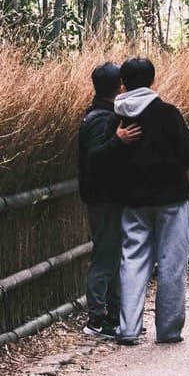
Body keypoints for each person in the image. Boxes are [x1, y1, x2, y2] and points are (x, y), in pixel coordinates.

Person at [111, 56, 189, 344]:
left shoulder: (117, 117)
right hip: (171, 199)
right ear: (152, 80)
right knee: (172, 262)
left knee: (132, 261)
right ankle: (169, 329)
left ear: (123, 83)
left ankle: (128, 328)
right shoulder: (168, 113)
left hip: (134, 201)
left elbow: (108, 155)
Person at [77, 62, 130, 336]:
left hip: (105, 196)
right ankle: (96, 319)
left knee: (111, 255)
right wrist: (119, 140)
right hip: (104, 198)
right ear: (119, 86)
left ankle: (112, 317)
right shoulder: (100, 118)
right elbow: (96, 156)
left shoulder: (101, 113)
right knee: (106, 257)